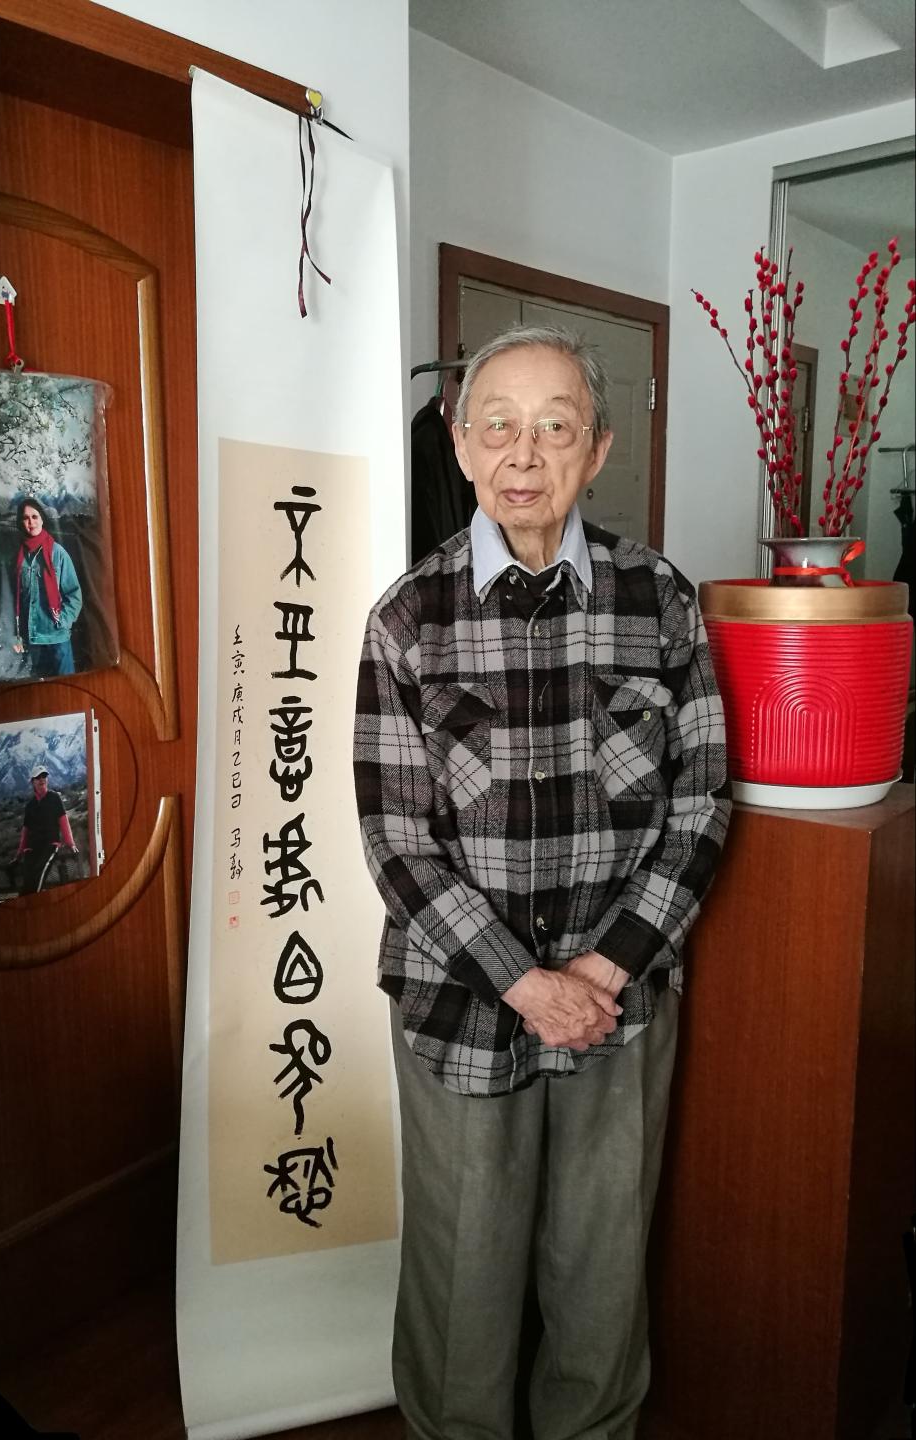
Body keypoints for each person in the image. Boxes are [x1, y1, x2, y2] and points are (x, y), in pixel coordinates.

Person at [354, 325, 731, 1440]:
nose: (525, 453)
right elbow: (396, 841)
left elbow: (702, 800)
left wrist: (602, 972)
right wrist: (526, 984)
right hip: (463, 1007)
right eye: (500, 426)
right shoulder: (407, 618)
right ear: (460, 444)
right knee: (461, 1287)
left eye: (555, 427)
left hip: (620, 1006)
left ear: (597, 448)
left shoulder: (658, 598)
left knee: (601, 1278)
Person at [12, 496, 83, 677]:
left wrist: (63, 621)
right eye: (26, 518)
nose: (31, 522)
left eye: (34, 516)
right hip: (33, 638)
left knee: (67, 686)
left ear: (42, 519)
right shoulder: (20, 556)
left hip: (57, 637)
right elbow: (17, 597)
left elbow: (74, 594)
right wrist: (19, 633)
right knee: (42, 687)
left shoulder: (58, 553)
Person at [12, 765, 79, 895]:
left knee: (38, 876)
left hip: (49, 845)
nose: (42, 779)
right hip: (31, 848)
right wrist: (20, 852)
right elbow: (26, 831)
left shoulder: (54, 798)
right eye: (38, 777)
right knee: (28, 880)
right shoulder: (30, 805)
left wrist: (71, 843)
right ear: (32, 782)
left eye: (44, 776)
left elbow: (63, 821)